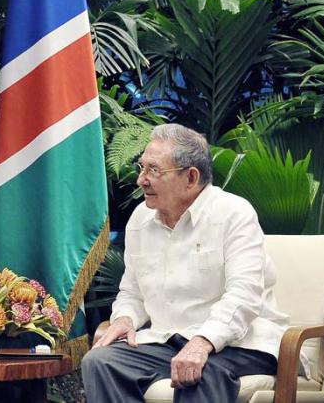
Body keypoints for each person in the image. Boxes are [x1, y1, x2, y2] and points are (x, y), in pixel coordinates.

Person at [82, 123, 302, 403]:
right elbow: (132, 292)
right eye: (142, 167)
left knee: (197, 373)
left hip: (241, 342)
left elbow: (244, 296)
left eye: (154, 170)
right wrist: (125, 318)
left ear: (191, 177)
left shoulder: (233, 213)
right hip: (169, 340)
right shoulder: (140, 219)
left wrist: (203, 342)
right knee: (100, 361)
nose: (141, 180)